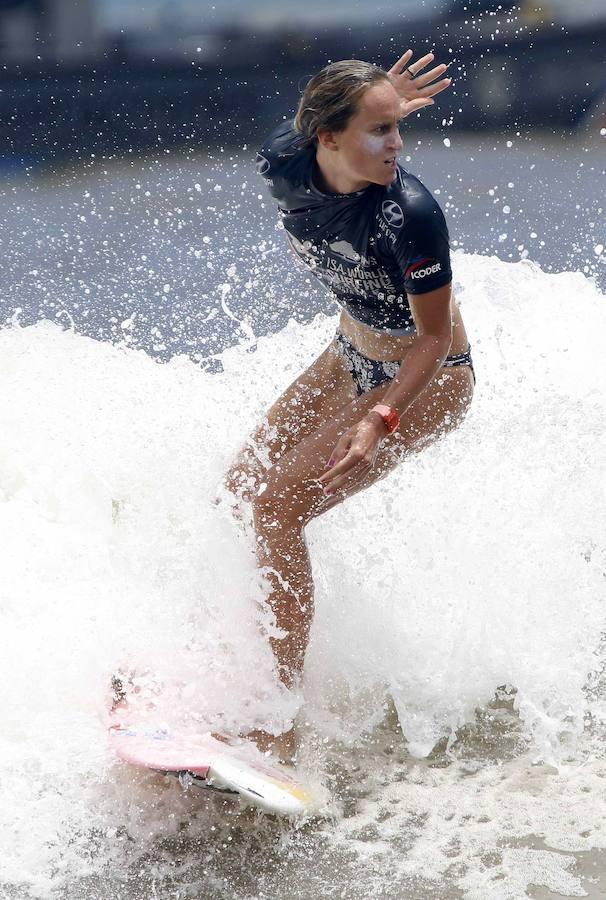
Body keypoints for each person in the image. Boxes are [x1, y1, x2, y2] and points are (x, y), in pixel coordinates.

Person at [223, 51, 475, 761]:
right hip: (348, 355)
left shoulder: (410, 215)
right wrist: (374, 96)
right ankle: (232, 662)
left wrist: (379, 417)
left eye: (398, 129)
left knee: (278, 509)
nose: (397, 145)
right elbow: (307, 121)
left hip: (425, 380)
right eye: (379, 130)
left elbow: (432, 339)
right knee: (240, 489)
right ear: (326, 138)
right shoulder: (282, 161)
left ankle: (277, 723)